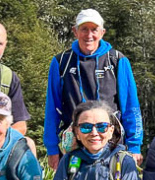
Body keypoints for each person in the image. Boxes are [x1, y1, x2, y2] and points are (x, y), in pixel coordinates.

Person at [44, 9, 143, 169]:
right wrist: (52, 149)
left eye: (94, 29)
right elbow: (52, 109)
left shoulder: (117, 60)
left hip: (112, 141)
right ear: (75, 31)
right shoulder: (61, 62)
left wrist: (134, 146)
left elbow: (131, 107)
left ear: (102, 32)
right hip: (74, 143)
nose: (89, 35)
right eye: (84, 29)